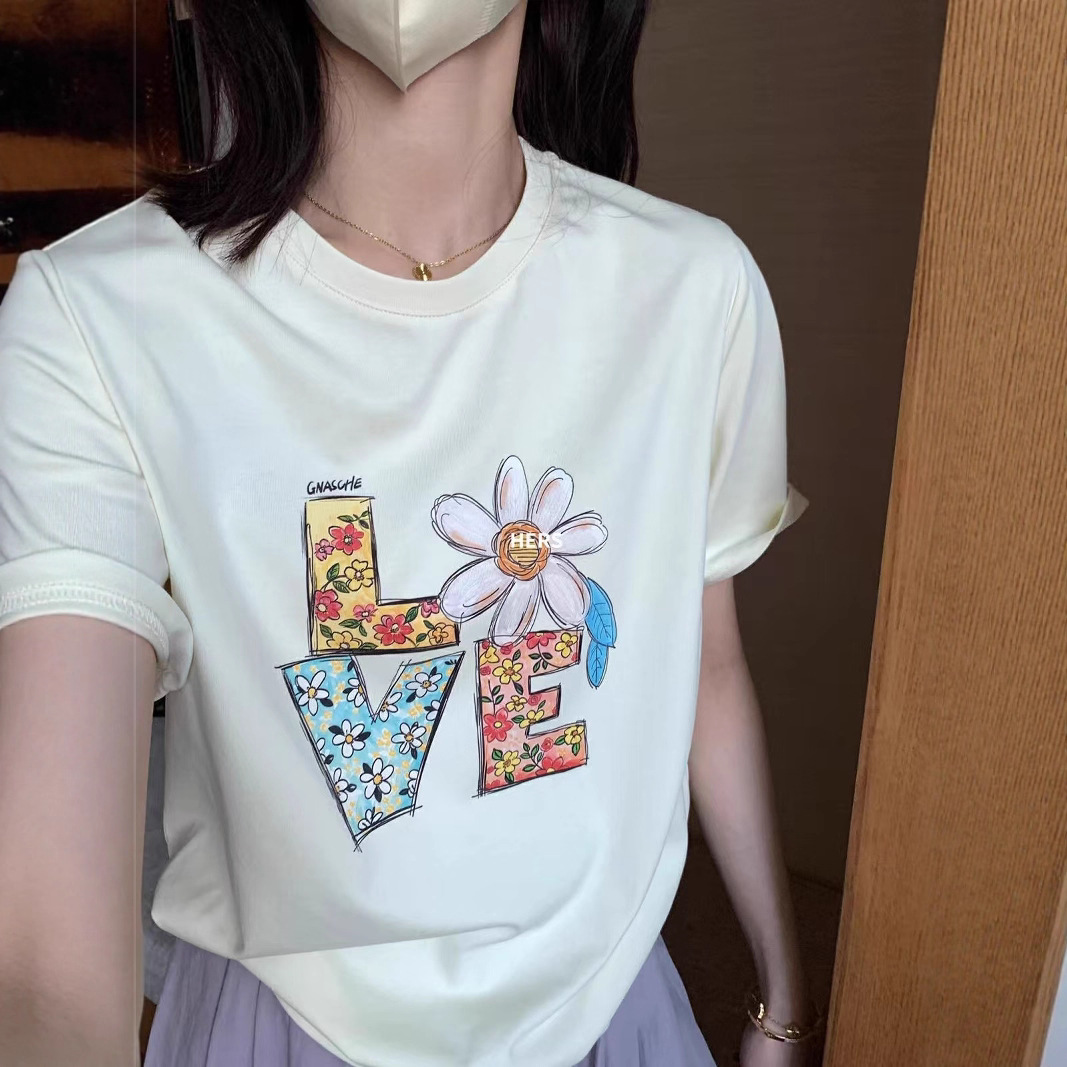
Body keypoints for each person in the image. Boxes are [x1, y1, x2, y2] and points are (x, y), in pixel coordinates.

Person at [0, 1, 819, 1065]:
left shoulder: (691, 288)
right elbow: (45, 962)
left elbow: (704, 665)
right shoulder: (98, 315)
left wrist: (781, 992)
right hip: (281, 1022)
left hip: (604, 1006)